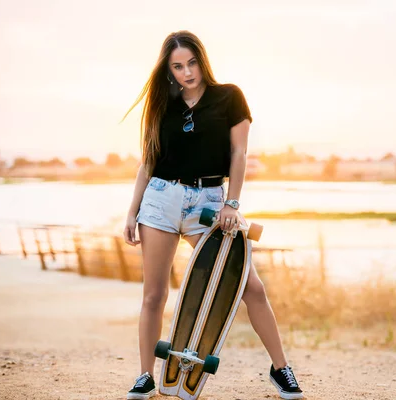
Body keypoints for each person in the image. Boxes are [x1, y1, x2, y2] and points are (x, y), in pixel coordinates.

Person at [121, 30, 304, 400]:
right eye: (177, 66)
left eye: (191, 63)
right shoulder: (162, 104)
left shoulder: (229, 98)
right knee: (153, 295)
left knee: (250, 287)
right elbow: (149, 159)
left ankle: (280, 368)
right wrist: (131, 210)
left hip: (209, 204)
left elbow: (238, 155)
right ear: (168, 71)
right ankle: (145, 376)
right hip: (159, 201)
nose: (186, 72)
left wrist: (232, 204)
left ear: (202, 61)